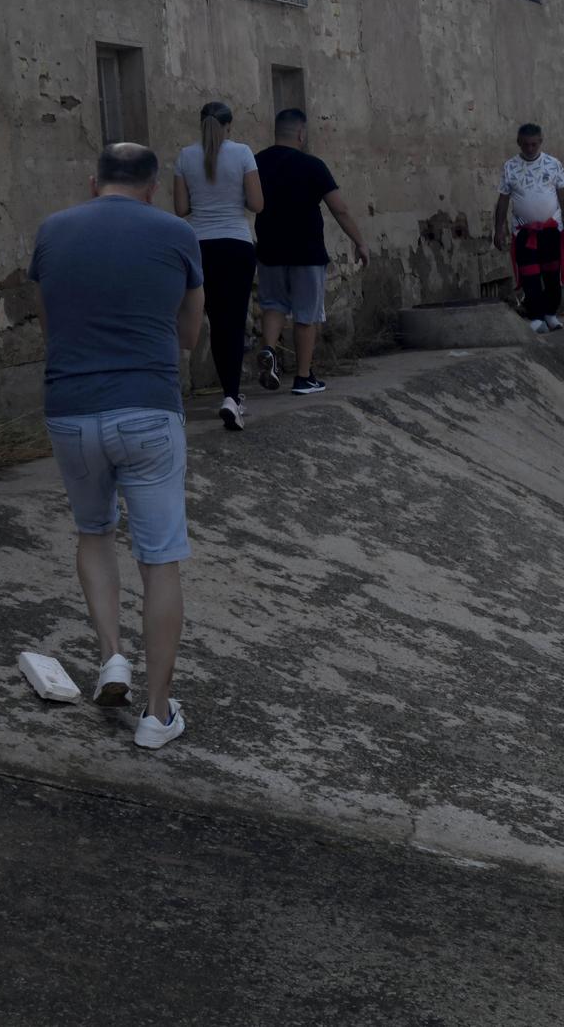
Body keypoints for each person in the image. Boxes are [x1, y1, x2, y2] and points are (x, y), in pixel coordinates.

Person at [31, 143, 205, 751]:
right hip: (148, 408)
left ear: (92, 180)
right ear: (154, 187)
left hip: (72, 411)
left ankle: (111, 658)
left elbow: (52, 329)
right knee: (160, 559)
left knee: (94, 533)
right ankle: (157, 715)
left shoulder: (52, 232)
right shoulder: (177, 234)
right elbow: (188, 336)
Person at [253, 108, 369, 395]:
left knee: (273, 305)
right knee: (306, 315)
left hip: (269, 248)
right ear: (301, 134)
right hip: (306, 251)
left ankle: (269, 351)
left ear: (276, 131)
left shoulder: (256, 163)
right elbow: (339, 209)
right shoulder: (313, 165)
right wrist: (359, 241)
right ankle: (304, 377)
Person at [173, 102, 262, 431]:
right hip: (236, 244)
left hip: (200, 246)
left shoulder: (185, 157)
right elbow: (257, 203)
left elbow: (181, 208)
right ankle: (231, 395)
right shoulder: (242, 153)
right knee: (233, 322)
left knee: (209, 319)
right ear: (228, 126)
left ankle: (224, 396)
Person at [493, 123, 564, 333]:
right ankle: (537, 317)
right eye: (525, 145)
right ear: (518, 143)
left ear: (540, 142)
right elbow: (503, 200)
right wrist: (499, 228)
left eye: (533, 144)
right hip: (524, 232)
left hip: (550, 230)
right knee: (529, 275)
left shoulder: (553, 164)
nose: (529, 148)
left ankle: (550, 314)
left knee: (551, 275)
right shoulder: (510, 167)